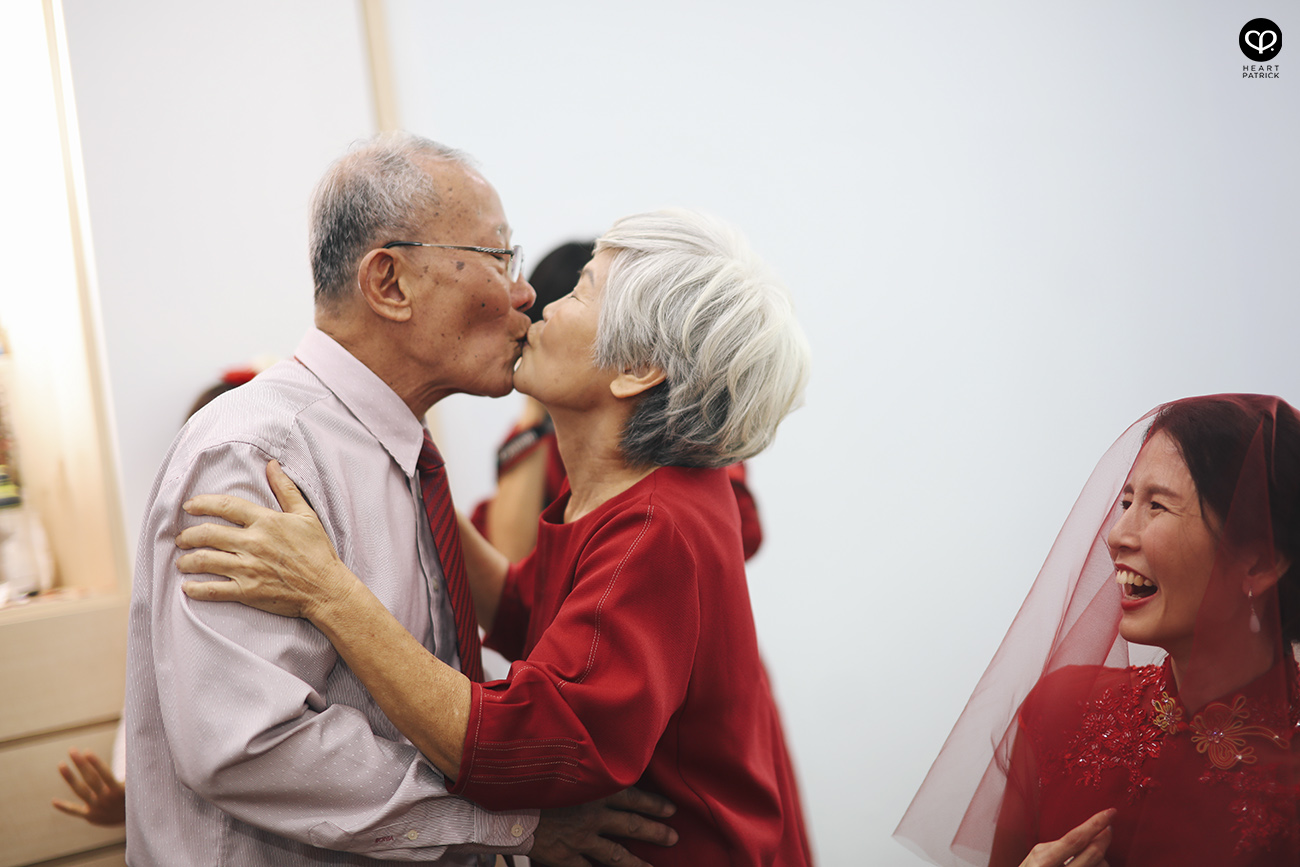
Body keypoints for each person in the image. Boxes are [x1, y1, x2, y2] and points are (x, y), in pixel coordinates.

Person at [175, 208, 816, 865]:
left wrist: (326, 590)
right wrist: (387, 445)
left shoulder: (657, 523)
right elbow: (525, 609)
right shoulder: (628, 494)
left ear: (637, 369)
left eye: (582, 289)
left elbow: (521, 746)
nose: (538, 301)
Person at [123, 132, 675, 866]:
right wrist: (504, 823)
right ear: (390, 282)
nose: (524, 292)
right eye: (499, 257)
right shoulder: (258, 455)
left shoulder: (402, 447)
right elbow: (248, 742)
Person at [896, 394, 1300, 866]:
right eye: (1126, 501)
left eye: (1157, 507)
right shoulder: (1062, 714)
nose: (1117, 534)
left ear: (1259, 560)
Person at [470, 240, 765, 563]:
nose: (539, 321)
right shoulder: (568, 442)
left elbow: (739, 536)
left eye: (577, 295)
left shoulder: (667, 498)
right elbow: (516, 595)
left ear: (636, 365)